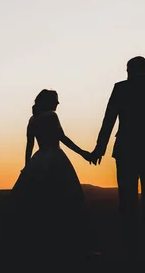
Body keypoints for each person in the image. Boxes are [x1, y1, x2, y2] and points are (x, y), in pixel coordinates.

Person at [91, 56, 145, 261]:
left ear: (130, 70)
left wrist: (99, 148)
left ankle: (129, 249)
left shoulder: (121, 89)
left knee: (127, 201)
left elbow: (109, 120)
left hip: (126, 152)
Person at [6, 89, 95, 261]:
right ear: (49, 102)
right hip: (54, 158)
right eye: (56, 100)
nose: (58, 103)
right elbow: (62, 138)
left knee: (37, 200)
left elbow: (29, 146)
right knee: (64, 198)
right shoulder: (51, 117)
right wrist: (83, 153)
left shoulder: (32, 119)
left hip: (38, 160)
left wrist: (27, 167)